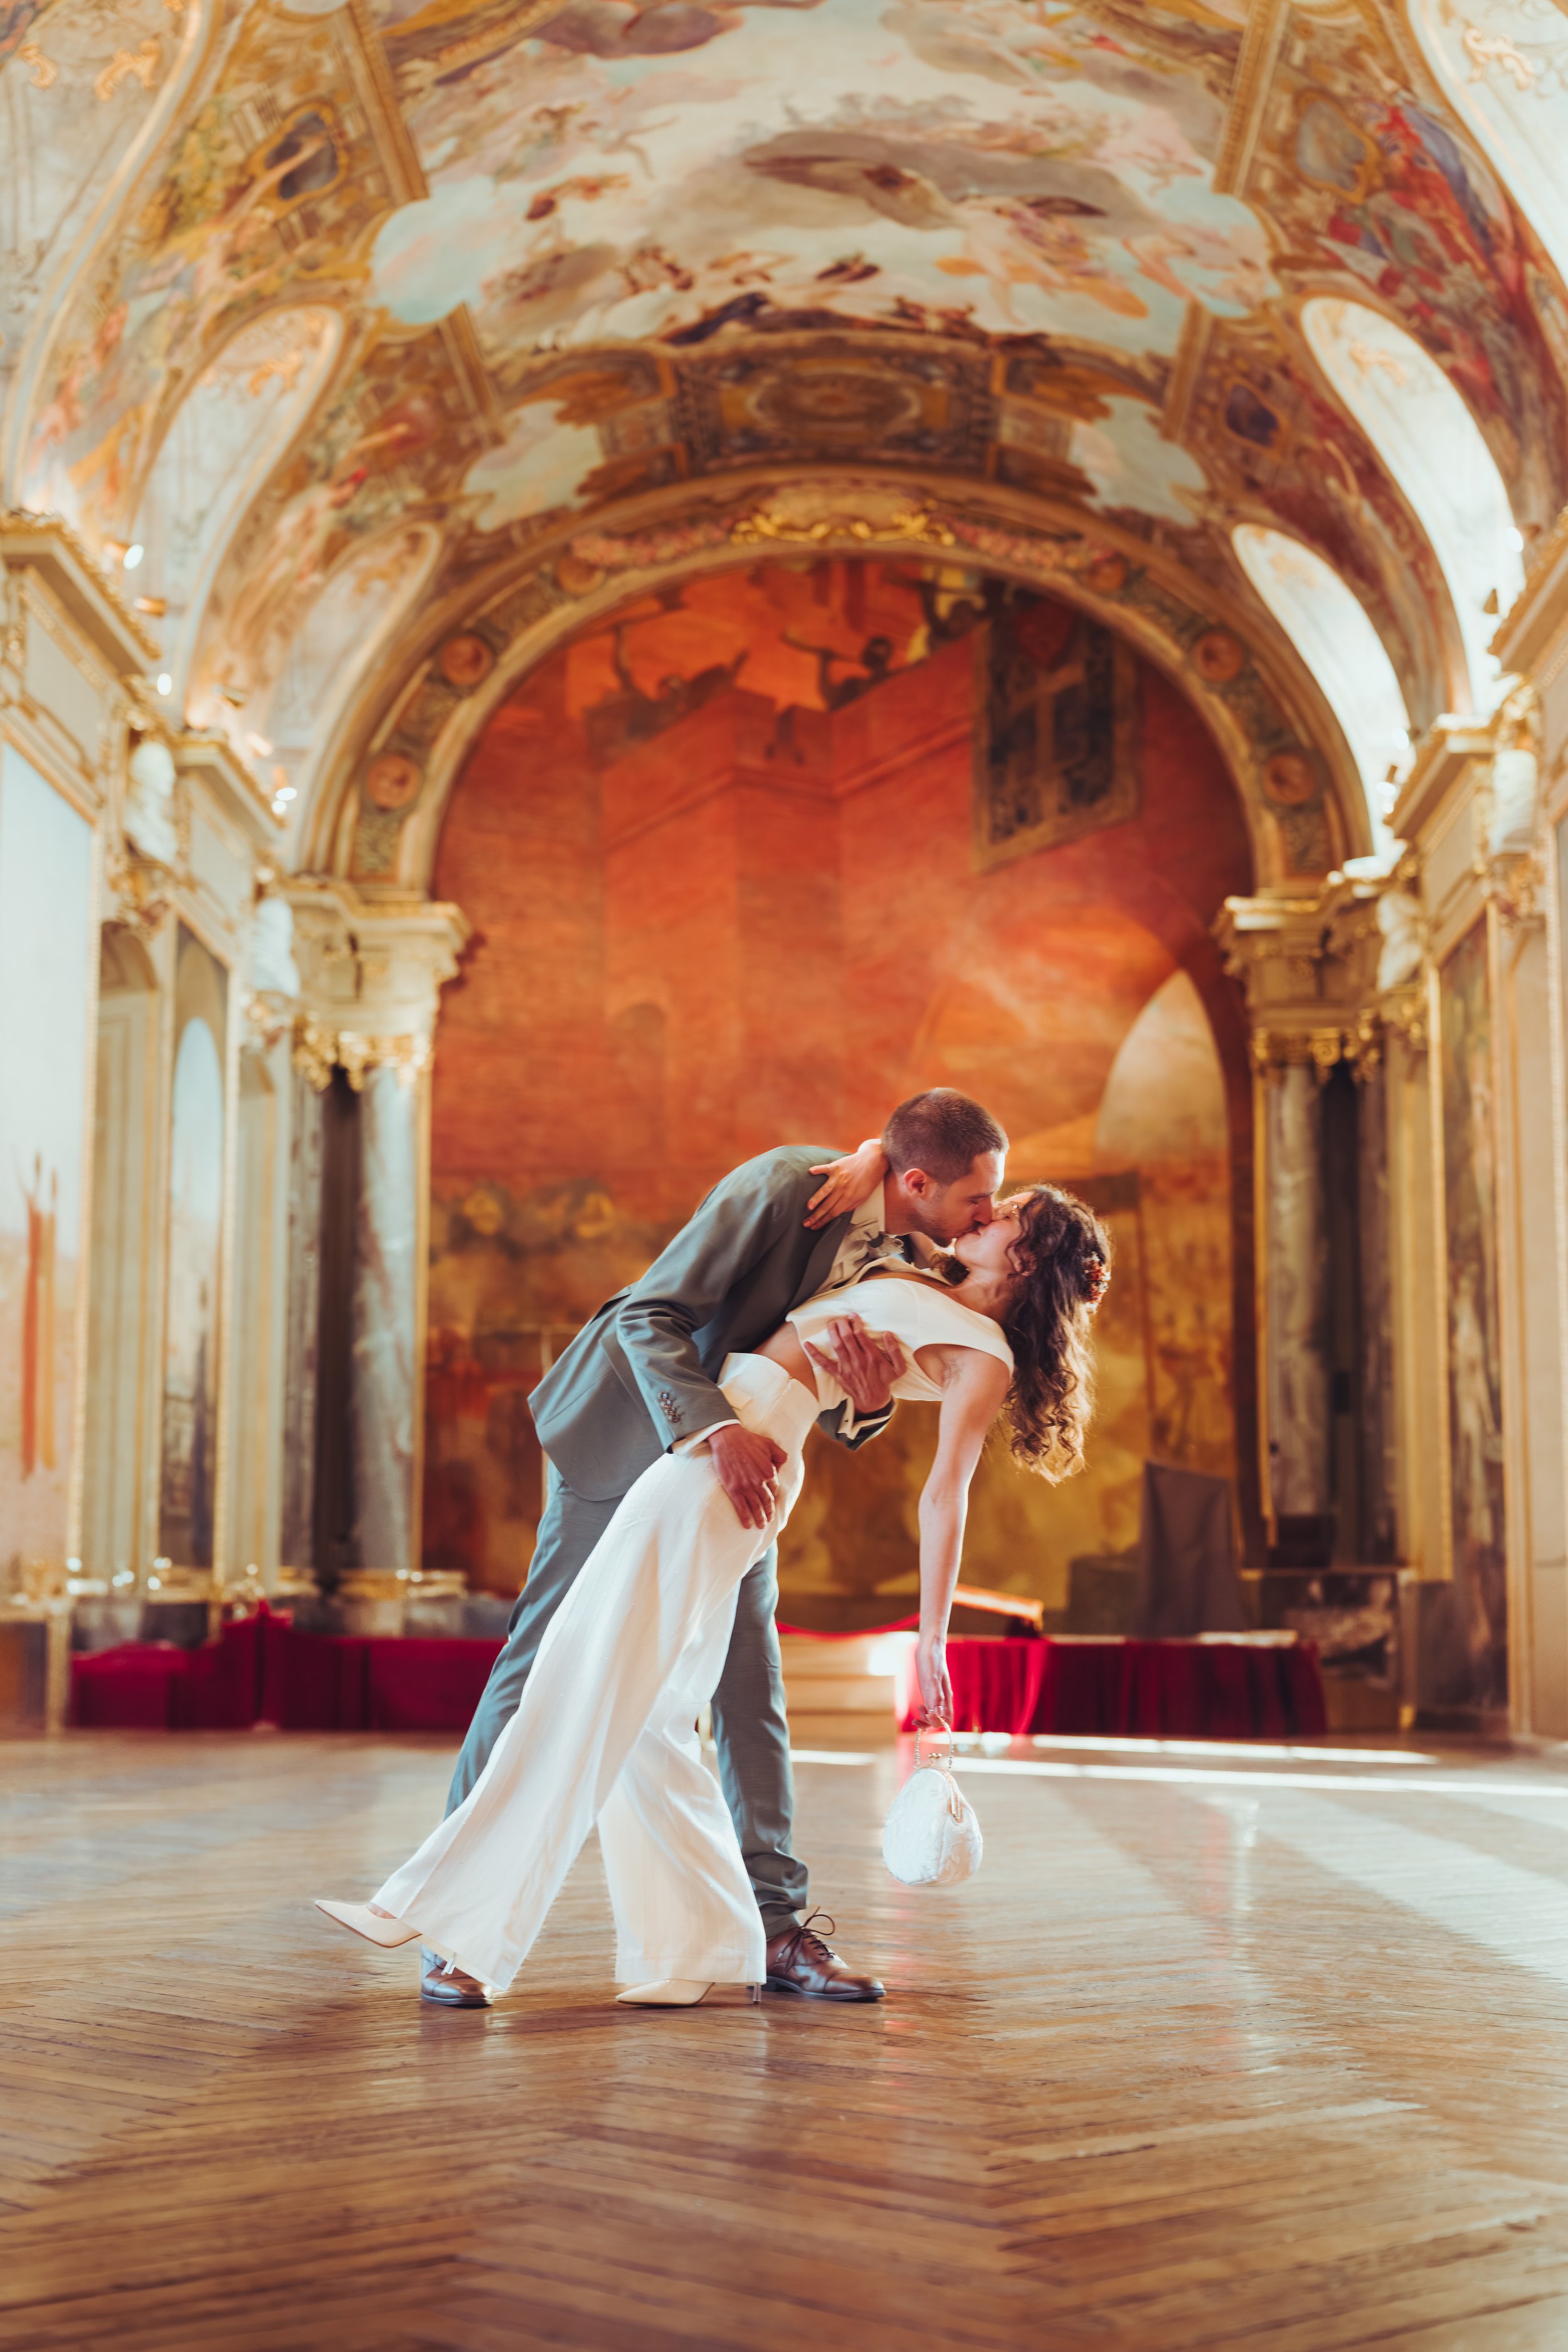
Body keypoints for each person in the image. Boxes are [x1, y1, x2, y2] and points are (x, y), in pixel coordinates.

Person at [315, 1181, 1111, 2006]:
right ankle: (692, 1945)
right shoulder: (920, 1270)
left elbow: (945, 1496)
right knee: (655, 1717)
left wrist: (931, 1636)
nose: (985, 1214)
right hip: (720, 1448)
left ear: (1028, 1258)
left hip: (730, 1468)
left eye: (1006, 1215)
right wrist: (877, 1160)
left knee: (580, 1680)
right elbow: (898, 1175)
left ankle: (440, 1914)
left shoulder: (984, 1355)